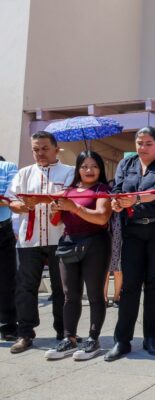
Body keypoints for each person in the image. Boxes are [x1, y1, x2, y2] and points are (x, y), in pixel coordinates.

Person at [104, 126, 155, 362]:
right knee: (129, 286)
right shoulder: (127, 164)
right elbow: (116, 189)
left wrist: (132, 198)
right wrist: (116, 203)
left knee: (154, 284)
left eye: (147, 143)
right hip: (132, 230)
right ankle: (122, 340)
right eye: (139, 142)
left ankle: (150, 337)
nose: (142, 147)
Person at [7, 131, 74, 354]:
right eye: (36, 149)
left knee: (61, 288)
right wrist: (20, 207)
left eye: (45, 148)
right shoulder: (24, 173)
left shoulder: (69, 173)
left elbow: (71, 199)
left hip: (60, 238)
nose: (40, 153)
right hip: (29, 239)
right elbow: (11, 201)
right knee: (26, 288)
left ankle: (64, 332)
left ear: (56, 149)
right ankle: (25, 333)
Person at [44, 151, 112, 360]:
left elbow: (102, 218)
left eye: (93, 166)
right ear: (78, 169)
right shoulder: (68, 190)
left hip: (96, 243)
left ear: (100, 169)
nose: (89, 170)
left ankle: (93, 339)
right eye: (84, 166)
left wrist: (75, 207)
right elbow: (55, 222)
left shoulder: (103, 190)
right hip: (69, 242)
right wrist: (55, 209)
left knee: (94, 294)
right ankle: (69, 338)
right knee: (69, 295)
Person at [0, 155, 18, 341]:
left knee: (6, 280)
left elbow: (10, 197)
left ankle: (8, 325)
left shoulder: (7, 167)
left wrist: (5, 199)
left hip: (2, 230)